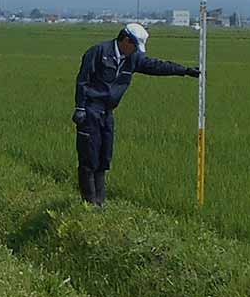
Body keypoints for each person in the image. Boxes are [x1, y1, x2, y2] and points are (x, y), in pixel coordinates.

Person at [71, 22, 199, 205]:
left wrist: (185, 71)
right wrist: (80, 108)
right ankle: (89, 204)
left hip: (108, 112)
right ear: (125, 39)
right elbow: (83, 80)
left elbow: (156, 66)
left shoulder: (133, 58)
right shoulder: (98, 52)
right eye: (135, 46)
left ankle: (100, 203)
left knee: (103, 158)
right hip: (91, 110)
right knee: (88, 159)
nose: (136, 51)